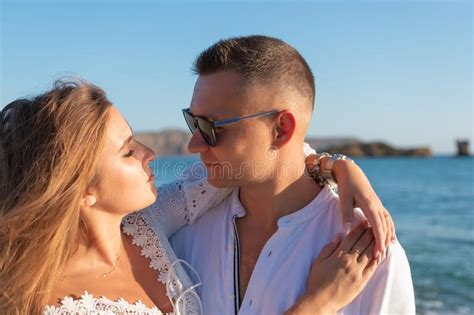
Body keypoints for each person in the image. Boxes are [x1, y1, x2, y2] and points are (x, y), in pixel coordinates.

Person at [0, 80, 393, 314]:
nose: (148, 154)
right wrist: (319, 303)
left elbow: (257, 157)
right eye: (126, 151)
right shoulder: (40, 299)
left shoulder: (147, 223)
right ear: (81, 191)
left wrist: (340, 169)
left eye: (136, 139)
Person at [171, 35, 416, 314]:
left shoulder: (373, 256)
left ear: (281, 130)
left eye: (211, 127)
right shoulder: (183, 234)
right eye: (194, 122)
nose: (194, 144)